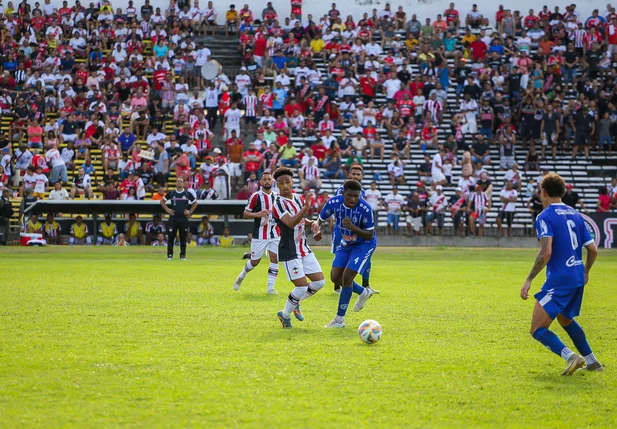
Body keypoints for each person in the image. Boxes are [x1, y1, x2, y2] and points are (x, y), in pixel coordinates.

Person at [520, 173, 601, 375]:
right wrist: (586, 271)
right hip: (577, 277)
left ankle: (571, 356)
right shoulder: (576, 214)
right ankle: (593, 362)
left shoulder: (544, 216)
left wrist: (529, 279)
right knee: (565, 319)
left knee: (537, 329)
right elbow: (593, 250)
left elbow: (546, 251)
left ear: (544, 192)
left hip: (560, 279)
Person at [313, 180, 379, 328]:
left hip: (364, 245)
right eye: (349, 195)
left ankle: (339, 320)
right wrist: (317, 229)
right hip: (346, 243)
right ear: (343, 193)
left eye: (356, 196)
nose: (353, 199)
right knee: (335, 277)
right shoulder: (333, 202)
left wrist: (352, 227)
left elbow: (369, 234)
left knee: (347, 277)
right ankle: (363, 292)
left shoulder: (365, 208)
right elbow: (320, 219)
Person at [271, 167, 325, 328]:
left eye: (287, 182)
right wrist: (305, 209)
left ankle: (295, 303)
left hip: (303, 248)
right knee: (301, 287)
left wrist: (313, 225)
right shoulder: (278, 204)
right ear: (277, 185)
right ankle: (285, 315)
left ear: (292, 182)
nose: (285, 185)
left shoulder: (297, 198)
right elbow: (290, 222)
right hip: (289, 250)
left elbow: (302, 220)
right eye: (281, 183)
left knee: (319, 282)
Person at [234, 171, 280, 295]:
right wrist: (258, 214)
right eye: (264, 179)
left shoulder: (277, 196)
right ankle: (241, 276)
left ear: (272, 181)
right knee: (255, 262)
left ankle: (270, 288)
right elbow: (245, 213)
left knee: (275, 258)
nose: (267, 181)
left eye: (269, 179)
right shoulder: (255, 196)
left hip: (275, 233)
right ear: (260, 182)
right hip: (260, 234)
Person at [160, 177, 198, 260]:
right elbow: (162, 201)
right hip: (173, 218)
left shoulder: (187, 194)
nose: (179, 183)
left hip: (183, 219)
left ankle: (182, 256)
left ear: (183, 183)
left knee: (183, 238)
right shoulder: (171, 193)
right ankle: (170, 255)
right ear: (176, 183)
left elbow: (195, 203)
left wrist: (190, 212)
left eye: (181, 181)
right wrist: (168, 210)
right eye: (178, 181)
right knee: (171, 237)